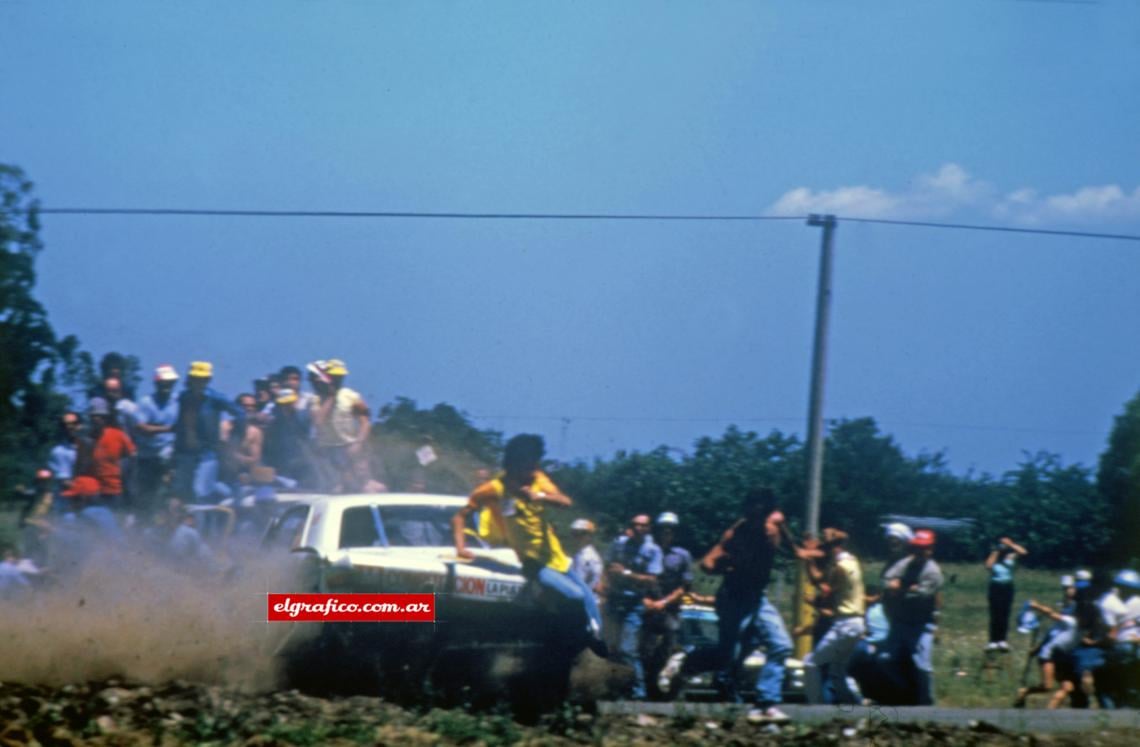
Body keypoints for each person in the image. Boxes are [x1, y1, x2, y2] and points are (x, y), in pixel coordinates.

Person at [451, 434, 605, 656]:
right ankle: (576, 640)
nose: (533, 470)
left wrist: (538, 496)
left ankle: (595, 646)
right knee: (575, 596)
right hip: (533, 563)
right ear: (513, 465)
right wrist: (460, 547)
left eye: (535, 464)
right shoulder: (494, 489)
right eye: (528, 465)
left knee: (589, 599)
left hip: (557, 558)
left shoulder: (538, 480)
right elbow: (459, 517)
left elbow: (565, 502)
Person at [700, 487, 793, 723]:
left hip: (756, 597)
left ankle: (766, 702)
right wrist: (725, 565)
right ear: (747, 512)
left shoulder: (773, 529)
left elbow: (792, 547)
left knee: (781, 645)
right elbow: (707, 563)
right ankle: (692, 666)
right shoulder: (736, 534)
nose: (757, 519)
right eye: (752, 513)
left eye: (762, 514)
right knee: (729, 654)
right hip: (733, 596)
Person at [800, 528, 865, 705]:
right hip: (857, 623)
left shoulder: (840, 568)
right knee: (838, 671)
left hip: (844, 623)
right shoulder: (853, 561)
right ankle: (856, 705)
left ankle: (816, 707)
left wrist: (808, 559)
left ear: (832, 549)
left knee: (810, 664)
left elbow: (820, 584)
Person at [881, 528, 943, 705]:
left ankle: (926, 701)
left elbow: (920, 594)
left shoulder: (933, 572)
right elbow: (886, 580)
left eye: (923, 548)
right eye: (916, 548)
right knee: (885, 660)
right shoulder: (905, 563)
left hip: (922, 625)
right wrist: (903, 587)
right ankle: (907, 691)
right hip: (900, 622)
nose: (919, 552)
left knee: (922, 666)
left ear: (930, 549)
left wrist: (898, 588)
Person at [605, 513, 663, 700]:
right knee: (610, 648)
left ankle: (638, 692)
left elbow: (652, 579)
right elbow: (608, 565)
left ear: (648, 528)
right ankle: (617, 691)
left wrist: (626, 573)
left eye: (643, 525)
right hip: (615, 599)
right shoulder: (619, 544)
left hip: (633, 603)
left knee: (627, 649)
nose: (638, 528)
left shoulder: (653, 550)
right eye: (635, 524)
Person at [172, 361, 246, 502]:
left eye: (202, 379)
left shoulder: (215, 398)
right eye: (195, 379)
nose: (198, 383)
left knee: (200, 491)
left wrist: (234, 440)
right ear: (190, 379)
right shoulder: (183, 398)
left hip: (207, 452)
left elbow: (240, 413)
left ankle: (229, 500)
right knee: (184, 491)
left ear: (208, 380)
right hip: (185, 453)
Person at [643, 511, 693, 699]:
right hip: (647, 606)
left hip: (670, 608)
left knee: (669, 647)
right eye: (663, 528)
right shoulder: (647, 550)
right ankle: (643, 686)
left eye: (670, 529)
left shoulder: (682, 555)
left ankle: (662, 687)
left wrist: (664, 602)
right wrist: (647, 601)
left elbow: (685, 585)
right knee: (644, 648)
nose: (666, 532)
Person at [311, 359, 376, 493]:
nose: (337, 380)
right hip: (328, 447)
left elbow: (365, 421)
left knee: (358, 482)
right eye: (334, 377)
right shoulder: (317, 399)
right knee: (334, 486)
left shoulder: (351, 396)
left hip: (350, 445)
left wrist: (358, 443)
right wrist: (331, 397)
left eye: (340, 377)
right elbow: (318, 421)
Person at [133, 365, 181, 512]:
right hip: (147, 455)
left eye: (170, 383)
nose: (167, 386)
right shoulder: (146, 402)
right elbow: (141, 427)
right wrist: (167, 429)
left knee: (168, 491)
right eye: (164, 383)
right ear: (157, 383)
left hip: (168, 453)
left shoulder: (177, 401)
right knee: (146, 494)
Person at [985, 536, 1029, 651]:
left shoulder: (1011, 556)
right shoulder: (995, 555)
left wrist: (1011, 544)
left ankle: (1002, 640)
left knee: (1005, 613)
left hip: (1007, 587)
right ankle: (993, 640)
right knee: (995, 613)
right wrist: (997, 550)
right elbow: (988, 566)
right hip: (995, 587)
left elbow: (1024, 552)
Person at [568, 518, 604, 604]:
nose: (575, 537)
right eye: (573, 533)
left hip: (584, 602)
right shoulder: (583, 552)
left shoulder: (586, 557)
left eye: (579, 534)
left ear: (589, 536)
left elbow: (577, 581)